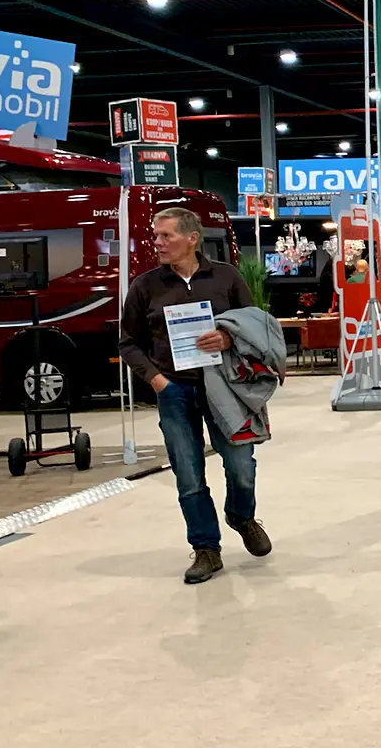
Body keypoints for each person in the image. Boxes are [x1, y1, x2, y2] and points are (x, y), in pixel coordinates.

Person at [118, 207, 270, 584]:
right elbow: (128, 342)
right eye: (155, 236)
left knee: (241, 465)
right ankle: (206, 549)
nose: (157, 243)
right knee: (188, 474)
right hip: (174, 390)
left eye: (166, 236)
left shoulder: (226, 277)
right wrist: (157, 380)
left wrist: (228, 338)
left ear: (191, 238)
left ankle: (241, 516)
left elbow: (254, 325)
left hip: (225, 387)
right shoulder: (145, 286)